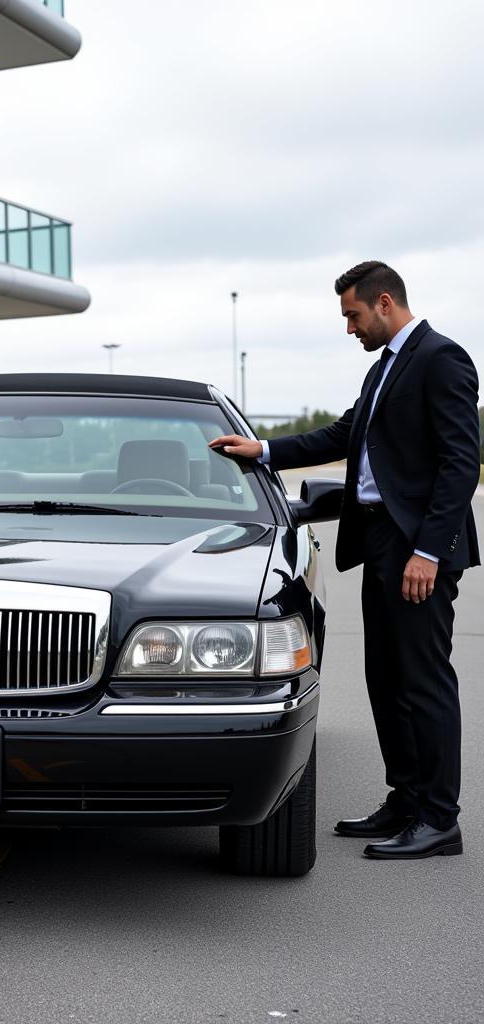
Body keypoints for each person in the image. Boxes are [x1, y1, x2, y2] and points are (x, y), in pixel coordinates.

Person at [210, 261, 480, 860]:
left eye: (353, 315)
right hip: (380, 541)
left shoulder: (442, 359)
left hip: (419, 549)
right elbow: (345, 434)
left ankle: (439, 820)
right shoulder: (383, 367)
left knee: (424, 682)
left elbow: (460, 464)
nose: (350, 328)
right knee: (386, 680)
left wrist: (429, 551)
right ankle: (405, 801)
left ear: (384, 303)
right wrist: (266, 450)